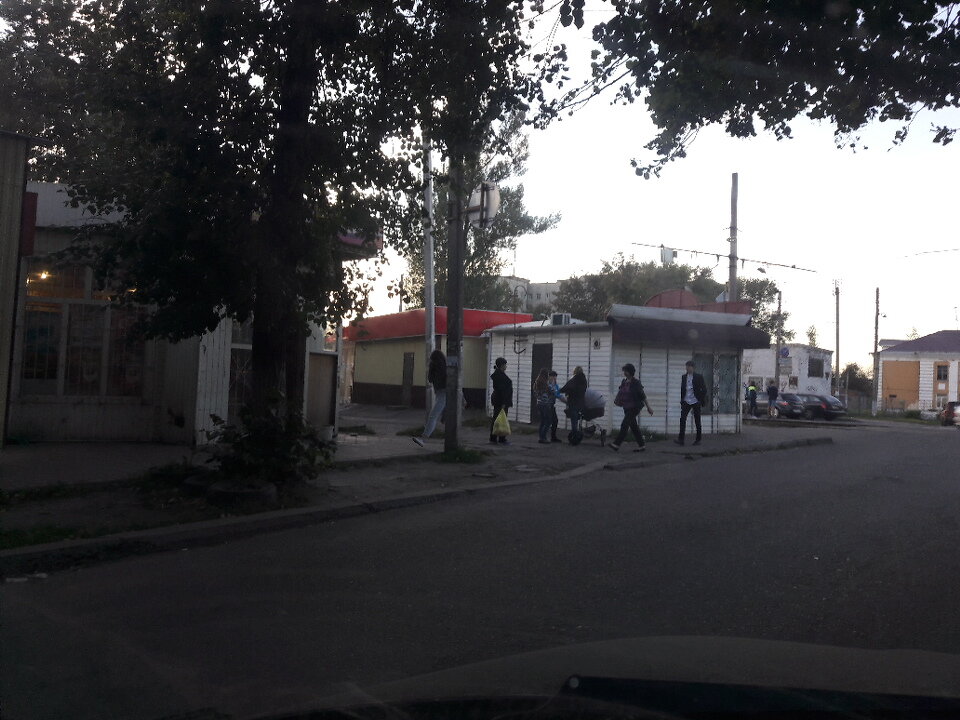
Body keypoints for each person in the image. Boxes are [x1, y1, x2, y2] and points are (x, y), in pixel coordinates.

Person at [610, 363, 654, 452]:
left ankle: (616, 444)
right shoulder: (624, 382)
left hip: (635, 407)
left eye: (626, 371)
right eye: (624, 371)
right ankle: (642, 445)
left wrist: (648, 407)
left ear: (630, 372)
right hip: (626, 407)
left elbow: (642, 395)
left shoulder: (636, 383)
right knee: (634, 427)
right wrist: (617, 401)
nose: (624, 373)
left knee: (624, 424)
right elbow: (621, 393)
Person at [413, 350, 446, 447]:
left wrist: (431, 368)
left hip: (442, 394)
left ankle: (423, 439)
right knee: (440, 417)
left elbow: (430, 379)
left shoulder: (436, 367)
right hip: (443, 394)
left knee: (433, 416)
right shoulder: (444, 367)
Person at [675, 360, 706, 446]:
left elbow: (704, 389)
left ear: (693, 367)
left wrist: (700, 398)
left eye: (689, 367)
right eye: (686, 367)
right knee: (682, 419)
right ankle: (681, 439)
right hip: (686, 400)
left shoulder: (698, 377)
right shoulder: (684, 377)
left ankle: (698, 440)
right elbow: (682, 389)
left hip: (695, 401)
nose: (687, 368)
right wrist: (682, 400)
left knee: (697, 420)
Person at [489, 357, 513, 444]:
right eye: (505, 365)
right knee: (500, 419)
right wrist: (503, 402)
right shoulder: (500, 376)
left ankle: (496, 437)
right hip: (501, 401)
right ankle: (500, 438)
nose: (506, 366)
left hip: (499, 400)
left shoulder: (499, 374)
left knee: (498, 419)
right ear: (502, 365)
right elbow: (502, 390)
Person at [560, 366, 588, 436]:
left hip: (573, 402)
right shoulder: (584, 380)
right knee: (578, 418)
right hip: (581, 402)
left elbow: (566, 387)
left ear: (575, 371)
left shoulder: (574, 379)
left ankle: (575, 434)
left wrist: (560, 390)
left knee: (574, 419)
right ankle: (578, 432)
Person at [533, 368, 553, 444]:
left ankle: (541, 437)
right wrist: (551, 384)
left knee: (542, 421)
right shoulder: (544, 383)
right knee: (548, 421)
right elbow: (551, 392)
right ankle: (543, 437)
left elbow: (535, 393)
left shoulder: (536, 382)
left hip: (539, 403)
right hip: (545, 404)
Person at [548, 371, 562, 443]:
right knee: (549, 421)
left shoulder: (555, 385)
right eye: (553, 377)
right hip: (547, 405)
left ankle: (553, 437)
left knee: (554, 421)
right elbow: (555, 394)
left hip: (552, 405)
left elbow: (558, 394)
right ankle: (544, 437)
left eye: (555, 377)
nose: (554, 378)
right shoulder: (548, 385)